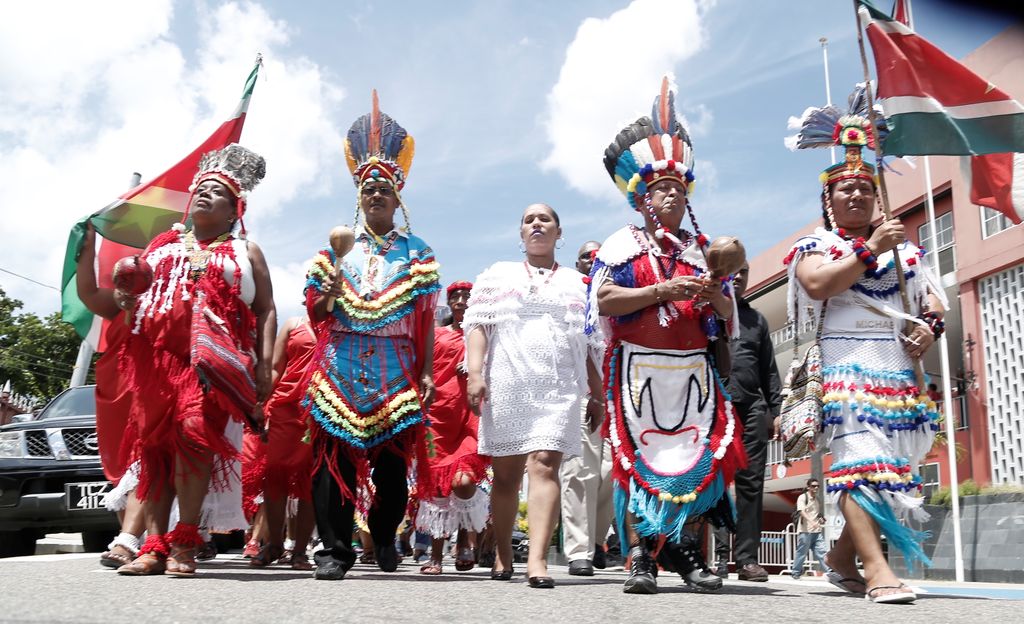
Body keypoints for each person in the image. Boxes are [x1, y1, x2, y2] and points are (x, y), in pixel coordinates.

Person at [589, 77, 746, 595]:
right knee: (640, 464)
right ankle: (640, 556)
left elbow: (726, 315)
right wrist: (663, 290)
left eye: (680, 187)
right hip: (639, 365)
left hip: (694, 370)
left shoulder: (701, 249)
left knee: (697, 462)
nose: (673, 193)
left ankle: (681, 553)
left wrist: (712, 298)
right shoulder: (622, 243)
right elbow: (606, 302)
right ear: (642, 198)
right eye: (661, 188)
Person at [785, 102, 946, 603]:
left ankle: (839, 561)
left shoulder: (905, 250)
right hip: (845, 363)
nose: (856, 193)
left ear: (877, 198)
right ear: (829, 199)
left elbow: (932, 300)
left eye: (865, 189)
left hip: (896, 371)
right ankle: (877, 574)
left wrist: (930, 330)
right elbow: (815, 285)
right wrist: (870, 248)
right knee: (860, 463)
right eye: (845, 189)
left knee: (891, 471)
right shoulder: (817, 244)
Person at [113, 143, 275, 576]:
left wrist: (265, 365)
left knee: (192, 440)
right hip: (157, 359)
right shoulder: (163, 244)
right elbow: (133, 297)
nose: (204, 195)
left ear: (233, 209)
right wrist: (123, 296)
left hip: (211, 363)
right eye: (200, 189)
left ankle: (185, 540)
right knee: (156, 451)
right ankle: (153, 545)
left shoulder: (246, 252)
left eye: (216, 192)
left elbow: (265, 309)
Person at [303, 92, 440, 581]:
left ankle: (383, 535)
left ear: (398, 196)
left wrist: (425, 370)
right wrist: (332, 292)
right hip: (339, 363)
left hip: (396, 367)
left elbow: (425, 317)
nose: (376, 194)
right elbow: (316, 311)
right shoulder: (335, 249)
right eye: (368, 189)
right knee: (329, 465)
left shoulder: (419, 252)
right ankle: (334, 552)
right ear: (358, 198)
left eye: (384, 188)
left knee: (392, 473)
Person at [464, 203, 604, 589]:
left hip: (558, 387)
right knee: (506, 476)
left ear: (560, 233)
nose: (537, 224)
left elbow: (590, 342)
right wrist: (475, 374)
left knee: (545, 464)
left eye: (545, 219)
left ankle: (537, 560)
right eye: (529, 220)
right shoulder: (498, 275)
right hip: (508, 381)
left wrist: (597, 394)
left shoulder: (579, 283)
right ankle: (504, 553)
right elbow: (478, 325)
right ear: (521, 233)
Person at [712, 262, 782, 581]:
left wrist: (776, 411)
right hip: (713, 406)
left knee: (751, 484)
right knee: (707, 482)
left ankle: (746, 560)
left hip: (752, 407)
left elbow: (769, 369)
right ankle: (710, 557)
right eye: (732, 270)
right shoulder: (706, 311)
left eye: (744, 272)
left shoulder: (757, 320)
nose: (738, 277)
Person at [415, 281, 490, 575]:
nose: (460, 300)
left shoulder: (484, 336)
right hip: (438, 416)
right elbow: (421, 370)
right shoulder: (436, 335)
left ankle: (463, 542)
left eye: (466, 296)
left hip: (471, 415)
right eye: (455, 296)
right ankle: (435, 556)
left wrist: (476, 366)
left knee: (463, 482)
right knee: (438, 488)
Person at [560, 241, 615, 577]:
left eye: (598, 256)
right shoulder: (569, 291)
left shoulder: (616, 289)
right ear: (578, 263)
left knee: (610, 473)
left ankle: (596, 540)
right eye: (586, 256)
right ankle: (579, 549)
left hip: (618, 390)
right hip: (580, 390)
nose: (592, 260)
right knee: (581, 470)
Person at [247, 315, 318, 569]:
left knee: (310, 481)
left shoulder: (341, 324)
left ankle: (300, 551)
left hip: (321, 411)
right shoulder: (293, 323)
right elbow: (276, 367)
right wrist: (263, 406)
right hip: (285, 408)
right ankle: (274, 544)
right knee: (274, 473)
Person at [790, 479, 830, 579]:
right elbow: (801, 511)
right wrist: (811, 521)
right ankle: (795, 572)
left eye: (817, 486)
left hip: (816, 531)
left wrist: (821, 519)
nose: (816, 488)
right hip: (805, 530)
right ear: (808, 487)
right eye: (813, 486)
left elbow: (816, 514)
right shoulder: (803, 497)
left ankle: (830, 572)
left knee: (822, 552)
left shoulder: (818, 499)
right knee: (802, 552)